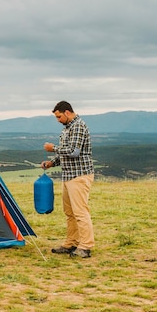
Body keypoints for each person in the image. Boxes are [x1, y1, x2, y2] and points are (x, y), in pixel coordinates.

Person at [40, 101, 95, 258]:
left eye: (59, 117)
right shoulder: (67, 128)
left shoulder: (78, 126)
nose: (58, 120)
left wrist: (53, 148)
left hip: (79, 175)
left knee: (80, 212)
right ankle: (71, 242)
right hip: (69, 175)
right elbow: (66, 152)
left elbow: (74, 151)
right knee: (70, 212)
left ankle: (85, 246)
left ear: (67, 112)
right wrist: (52, 162)